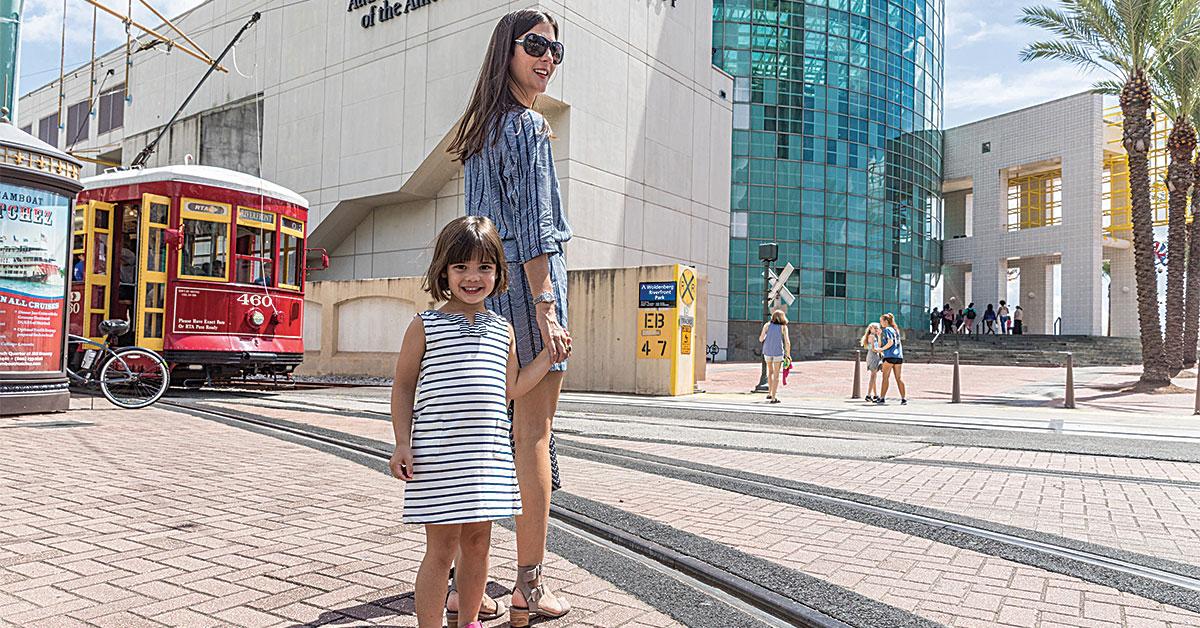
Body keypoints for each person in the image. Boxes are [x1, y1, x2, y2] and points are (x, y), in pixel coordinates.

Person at [450, 10, 573, 625]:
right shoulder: (527, 127)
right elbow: (533, 231)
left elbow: (480, 230)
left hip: (486, 304)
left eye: (555, 49)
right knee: (531, 439)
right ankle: (529, 582)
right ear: (508, 50)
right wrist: (548, 308)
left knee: (481, 439)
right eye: (536, 46)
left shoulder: (480, 132)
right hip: (528, 299)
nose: (547, 57)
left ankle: (460, 582)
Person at [389, 217, 554, 628]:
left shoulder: (503, 330)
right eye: (461, 267)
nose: (473, 277)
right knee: (441, 549)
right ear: (444, 271)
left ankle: (469, 622)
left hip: (485, 458)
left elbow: (511, 388)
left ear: (498, 272)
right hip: (439, 458)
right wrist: (402, 442)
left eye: (484, 267)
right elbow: (404, 386)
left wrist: (550, 356)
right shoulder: (424, 325)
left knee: (479, 544)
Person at [759, 309, 791, 403]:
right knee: (776, 374)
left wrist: (767, 337)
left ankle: (769, 393)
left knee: (770, 372)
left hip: (767, 351)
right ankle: (773, 397)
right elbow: (787, 342)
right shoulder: (783, 327)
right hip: (777, 352)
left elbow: (761, 339)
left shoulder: (767, 325)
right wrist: (788, 355)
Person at [874, 313, 907, 405]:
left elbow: (890, 342)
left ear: (886, 321)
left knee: (885, 378)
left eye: (881, 321)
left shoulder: (887, 329)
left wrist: (880, 349)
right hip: (898, 357)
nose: (880, 323)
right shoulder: (896, 330)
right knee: (899, 378)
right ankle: (903, 398)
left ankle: (882, 397)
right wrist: (879, 336)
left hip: (889, 356)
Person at [861, 322, 883, 402]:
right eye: (875, 328)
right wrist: (881, 351)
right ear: (871, 329)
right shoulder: (871, 336)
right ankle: (868, 395)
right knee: (873, 376)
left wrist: (879, 336)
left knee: (874, 376)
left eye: (877, 328)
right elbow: (873, 349)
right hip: (872, 357)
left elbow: (879, 346)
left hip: (875, 356)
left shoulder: (874, 337)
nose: (877, 329)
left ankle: (875, 394)